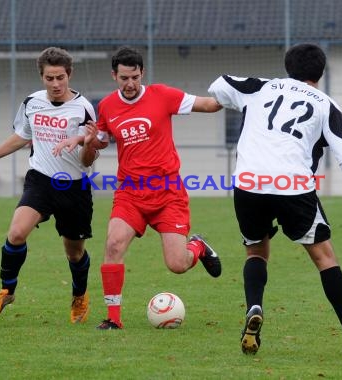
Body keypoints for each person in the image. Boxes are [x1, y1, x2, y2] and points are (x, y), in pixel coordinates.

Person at [208, 43, 342, 355]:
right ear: (321, 71)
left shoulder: (260, 87)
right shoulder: (327, 105)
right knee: (324, 258)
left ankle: (255, 307)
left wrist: (241, 101)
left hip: (248, 183)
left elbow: (218, 85)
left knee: (256, 252)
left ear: (288, 67)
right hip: (293, 186)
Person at [62, 46, 223, 330]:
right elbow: (91, 155)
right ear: (114, 76)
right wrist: (87, 142)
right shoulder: (108, 107)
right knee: (113, 244)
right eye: (124, 78)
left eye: (135, 77)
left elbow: (208, 105)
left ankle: (197, 246)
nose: (130, 84)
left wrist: (236, 94)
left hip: (167, 192)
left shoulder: (162, 95)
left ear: (142, 73)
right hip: (130, 193)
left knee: (177, 264)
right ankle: (114, 319)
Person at [0, 47, 99, 324]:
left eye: (60, 78)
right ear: (41, 77)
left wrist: (87, 144)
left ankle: (79, 295)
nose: (55, 84)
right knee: (16, 233)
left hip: (74, 187)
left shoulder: (84, 108)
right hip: (40, 181)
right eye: (49, 78)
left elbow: (90, 158)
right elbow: (21, 136)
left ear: (69, 75)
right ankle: (7, 290)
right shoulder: (32, 102)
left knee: (74, 252)